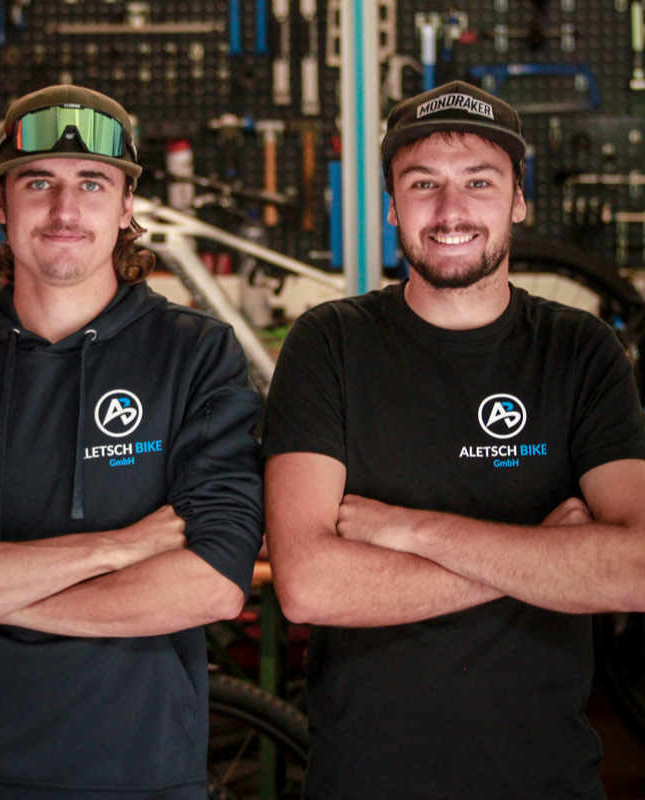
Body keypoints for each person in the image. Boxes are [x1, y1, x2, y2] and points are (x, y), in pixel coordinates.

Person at [0, 84, 263, 800]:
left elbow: (213, 584)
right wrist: (116, 548)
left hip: (142, 775)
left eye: (92, 183)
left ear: (127, 205)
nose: (65, 210)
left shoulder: (197, 354)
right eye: (37, 182)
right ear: (0, 204)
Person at [262, 80, 645, 800]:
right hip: (368, 782)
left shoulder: (580, 350)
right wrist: (543, 559)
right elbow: (309, 585)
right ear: (391, 205)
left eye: (479, 181)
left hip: (546, 780)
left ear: (518, 199)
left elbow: (635, 570)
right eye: (422, 183)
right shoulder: (330, 344)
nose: (450, 210)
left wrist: (411, 531)